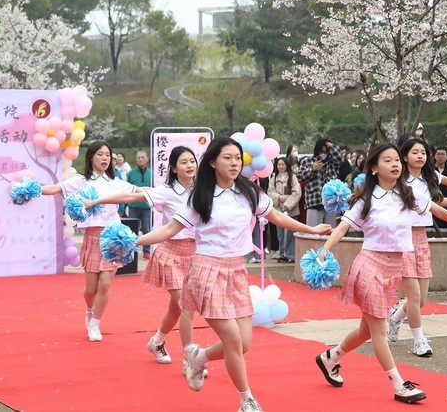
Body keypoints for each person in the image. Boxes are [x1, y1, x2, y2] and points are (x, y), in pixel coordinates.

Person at [134, 137, 331, 412]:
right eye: (227, 158)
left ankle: (198, 357)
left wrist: (310, 229)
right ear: (213, 162)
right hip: (206, 271)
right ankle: (246, 399)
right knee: (233, 340)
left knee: (244, 344)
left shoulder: (249, 192)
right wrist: (136, 241)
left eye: (237, 157)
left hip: (237, 271)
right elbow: (169, 229)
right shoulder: (200, 196)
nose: (234, 163)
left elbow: (277, 217)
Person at [313, 143, 447, 404]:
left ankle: (330, 357)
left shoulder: (408, 194)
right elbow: (342, 228)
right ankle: (399, 385)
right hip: (370, 267)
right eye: (388, 160)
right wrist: (323, 252)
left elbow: (435, 209)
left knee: (366, 330)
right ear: (374, 168)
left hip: (394, 269)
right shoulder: (366, 199)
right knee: (379, 331)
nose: (395, 164)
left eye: (397, 160)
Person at [83, 146, 203, 374]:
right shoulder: (166, 191)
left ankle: (157, 342)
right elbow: (129, 196)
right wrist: (96, 201)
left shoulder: (203, 190)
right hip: (170, 253)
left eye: (192, 161)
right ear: (174, 168)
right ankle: (191, 360)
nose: (190, 166)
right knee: (186, 306)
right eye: (184, 162)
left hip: (194, 255)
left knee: (177, 309)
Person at [40, 141, 141, 342]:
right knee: (91, 290)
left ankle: (95, 323)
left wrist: (167, 191)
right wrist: (33, 189)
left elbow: (139, 191)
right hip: (93, 237)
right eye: (100, 154)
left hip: (113, 237)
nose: (105, 158)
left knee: (105, 284)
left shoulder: (116, 182)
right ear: (91, 157)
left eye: (108, 155)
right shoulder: (81, 181)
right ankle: (89, 308)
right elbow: (55, 188)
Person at [387, 139, 447, 357]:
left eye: (423, 152)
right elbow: (436, 207)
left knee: (421, 301)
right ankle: (419, 341)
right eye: (415, 152)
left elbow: (437, 203)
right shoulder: (400, 181)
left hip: (421, 238)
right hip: (402, 238)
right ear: (404, 156)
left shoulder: (428, 177)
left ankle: (395, 317)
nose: (420, 156)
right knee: (414, 297)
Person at [297, 137, 343, 226]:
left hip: (330, 201)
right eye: (323, 148)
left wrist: (330, 144)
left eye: (328, 148)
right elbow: (299, 177)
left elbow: (340, 158)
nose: (325, 152)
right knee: (313, 232)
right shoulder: (307, 161)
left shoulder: (332, 162)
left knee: (330, 231)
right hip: (314, 201)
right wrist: (312, 169)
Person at [267, 156, 301, 263]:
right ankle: (282, 254)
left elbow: (297, 192)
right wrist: (278, 198)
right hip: (278, 210)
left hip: (291, 210)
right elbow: (270, 192)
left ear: (287, 165)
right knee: (280, 234)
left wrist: (287, 204)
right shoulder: (274, 178)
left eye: (283, 164)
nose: (281, 166)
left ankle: (291, 255)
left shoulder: (292, 177)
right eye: (279, 164)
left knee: (291, 233)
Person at [127, 150, 153, 259]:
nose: (141, 159)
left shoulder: (152, 174)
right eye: (139, 157)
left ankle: (147, 251)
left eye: (143, 157)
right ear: (136, 159)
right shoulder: (131, 173)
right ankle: (132, 251)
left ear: (147, 159)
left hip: (147, 207)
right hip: (133, 207)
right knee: (132, 230)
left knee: (147, 230)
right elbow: (127, 190)